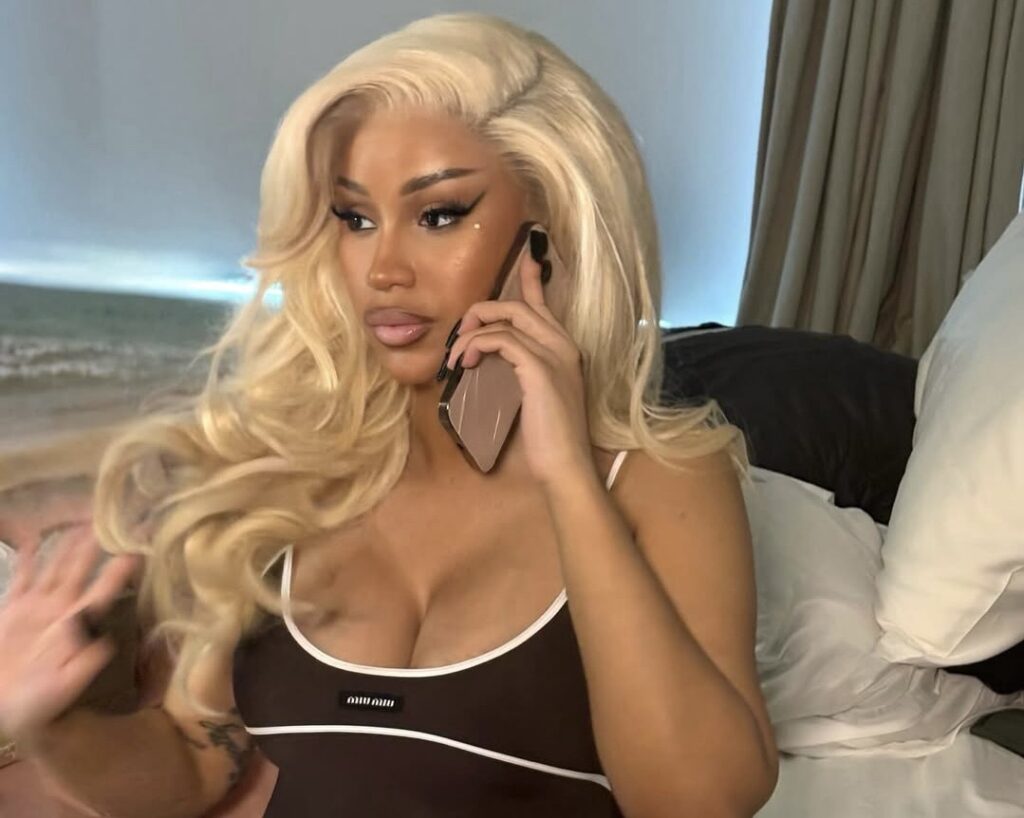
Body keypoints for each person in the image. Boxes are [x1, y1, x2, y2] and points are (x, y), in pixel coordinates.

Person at [0, 12, 778, 818]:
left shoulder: (662, 476)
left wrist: (567, 477)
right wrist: (53, 725)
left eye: (439, 214)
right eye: (354, 219)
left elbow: (698, 801)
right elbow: (195, 767)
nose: (383, 270)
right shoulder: (288, 475)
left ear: (548, 239)